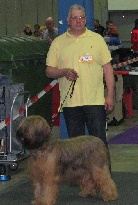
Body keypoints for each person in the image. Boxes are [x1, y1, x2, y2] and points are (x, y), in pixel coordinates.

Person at [45, 4, 115, 165]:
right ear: (68, 20)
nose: (78, 21)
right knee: (75, 149)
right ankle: (83, 183)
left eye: (81, 17)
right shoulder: (58, 42)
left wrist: (109, 95)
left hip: (95, 102)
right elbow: (49, 71)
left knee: (99, 145)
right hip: (71, 103)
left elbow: (108, 69)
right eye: (75, 18)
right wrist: (63, 72)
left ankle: (104, 181)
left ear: (86, 20)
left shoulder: (97, 40)